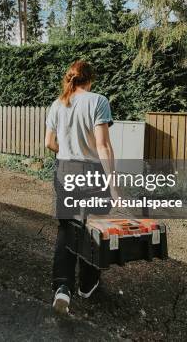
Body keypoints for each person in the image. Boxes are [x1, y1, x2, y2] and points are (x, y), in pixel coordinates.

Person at [44, 60, 117, 314]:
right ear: (90, 79)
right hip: (92, 172)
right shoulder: (98, 101)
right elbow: (103, 146)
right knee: (94, 229)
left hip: (65, 171)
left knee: (67, 228)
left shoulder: (57, 104)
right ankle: (88, 284)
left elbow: (49, 143)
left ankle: (63, 288)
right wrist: (114, 185)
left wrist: (66, 151)